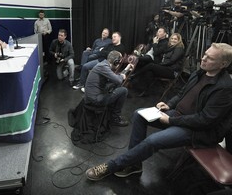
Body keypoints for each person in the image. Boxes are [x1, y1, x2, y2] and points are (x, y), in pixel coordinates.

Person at [85, 43, 232, 181]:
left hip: (195, 130)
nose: (203, 58)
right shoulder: (200, 73)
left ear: (223, 64)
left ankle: (113, 166)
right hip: (178, 116)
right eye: (205, 54)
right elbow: (181, 93)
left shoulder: (225, 88)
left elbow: (205, 120)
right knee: (138, 114)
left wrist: (171, 120)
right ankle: (135, 164)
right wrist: (168, 104)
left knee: (152, 141)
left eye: (210, 58)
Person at [85, 50, 134, 127]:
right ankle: (115, 118)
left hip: (93, 96)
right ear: (116, 62)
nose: (119, 64)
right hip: (95, 100)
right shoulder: (103, 67)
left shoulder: (103, 65)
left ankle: (111, 112)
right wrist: (122, 75)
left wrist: (125, 70)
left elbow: (115, 78)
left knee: (116, 85)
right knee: (123, 90)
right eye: (119, 62)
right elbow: (118, 79)